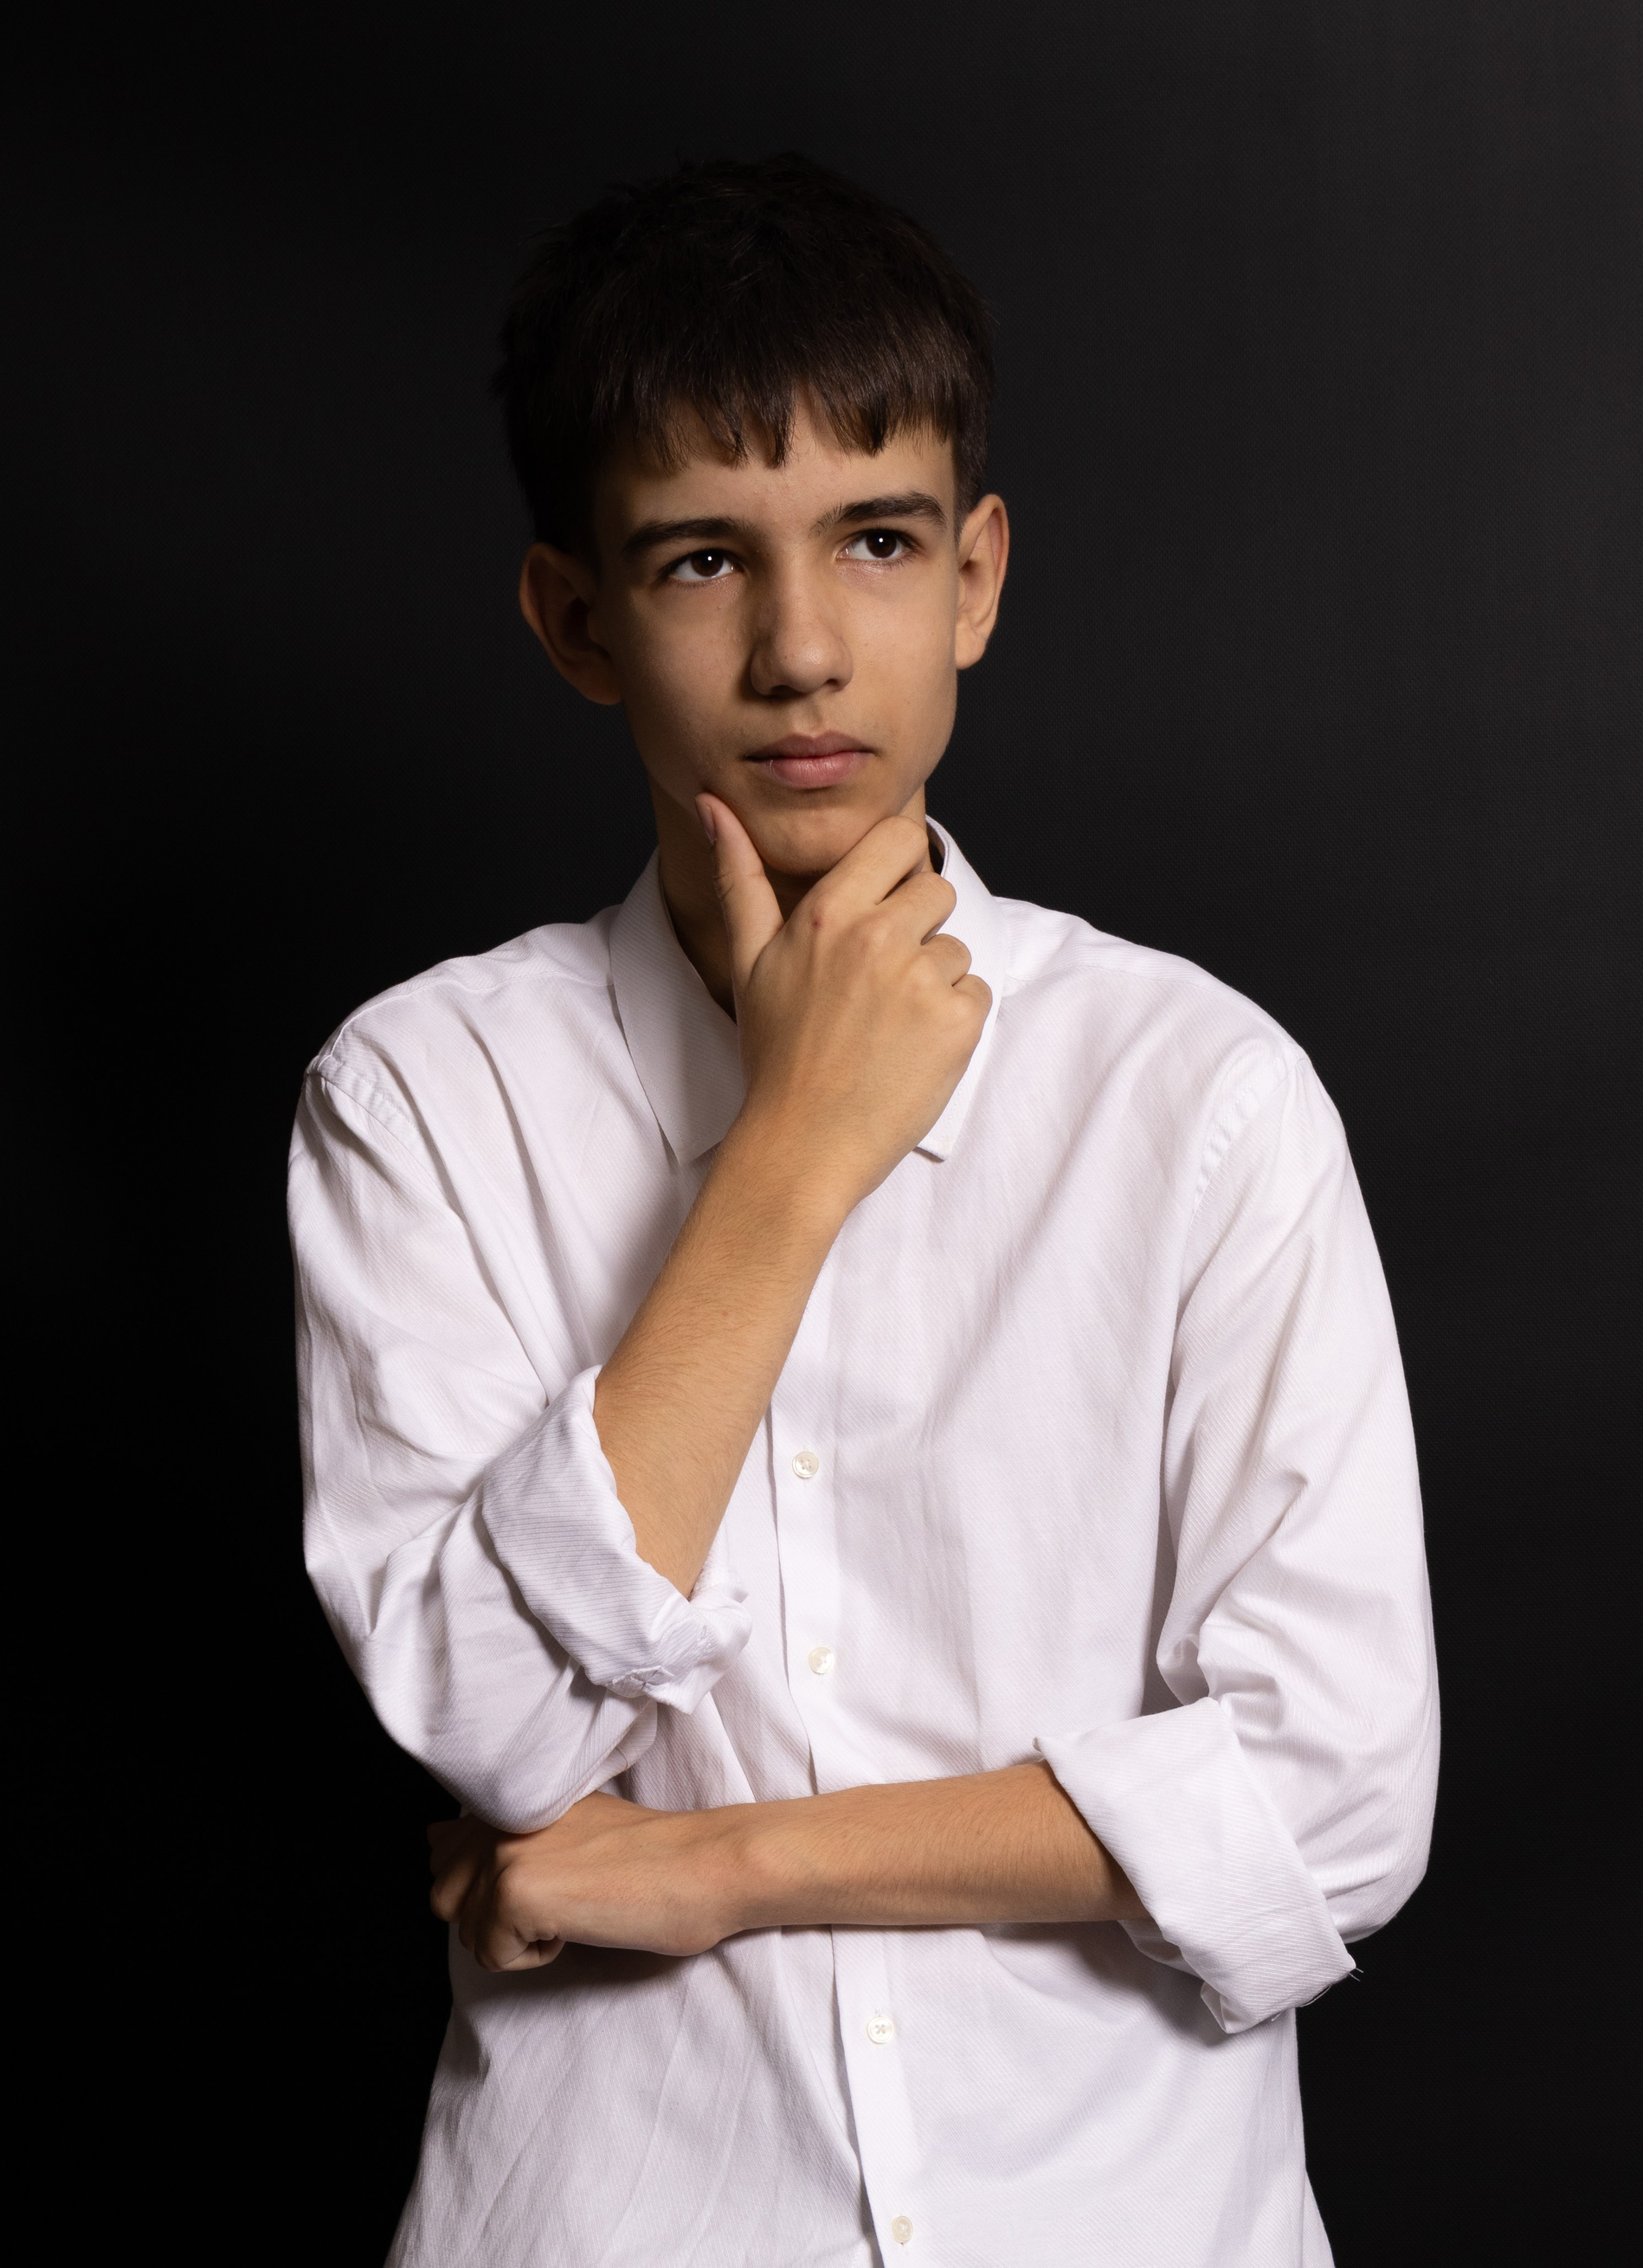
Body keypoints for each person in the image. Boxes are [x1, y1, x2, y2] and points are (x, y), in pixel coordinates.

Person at [290, 154, 1438, 2268]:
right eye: (703, 558)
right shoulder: (424, 1097)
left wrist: (716, 1859)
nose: (805, 648)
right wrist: (796, 1153)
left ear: (976, 578)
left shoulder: (1198, 1095)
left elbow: (1336, 1799)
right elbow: (496, 1724)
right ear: (576, 617)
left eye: (879, 541)